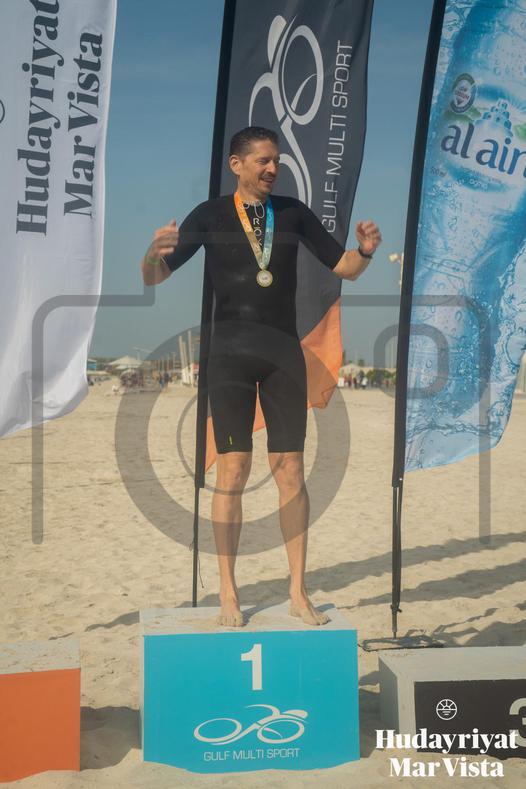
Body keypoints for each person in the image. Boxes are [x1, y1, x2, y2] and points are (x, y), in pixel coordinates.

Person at [141, 126, 382, 627]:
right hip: (228, 357)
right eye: (263, 161)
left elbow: (344, 267)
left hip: (282, 357)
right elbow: (155, 276)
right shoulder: (209, 215)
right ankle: (229, 594)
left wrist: (365, 250)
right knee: (232, 471)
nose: (273, 169)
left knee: (291, 468)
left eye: (276, 161)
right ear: (237, 164)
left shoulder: (293, 213)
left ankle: (298, 591)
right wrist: (152, 252)